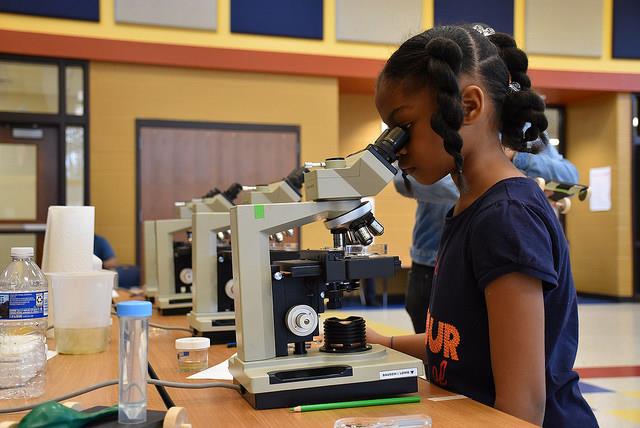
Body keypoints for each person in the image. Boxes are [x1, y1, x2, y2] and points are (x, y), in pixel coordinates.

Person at [368, 24, 598, 426]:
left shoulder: (506, 217)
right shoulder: (469, 207)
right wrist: (383, 343)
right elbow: (462, 340)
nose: (396, 148)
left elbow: (522, 407)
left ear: (470, 107)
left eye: (404, 126)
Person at [396, 141, 578, 334]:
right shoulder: (447, 127)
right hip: (432, 265)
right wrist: (516, 183)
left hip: (506, 258)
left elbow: (569, 177)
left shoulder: (526, 129)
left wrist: (515, 158)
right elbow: (404, 180)